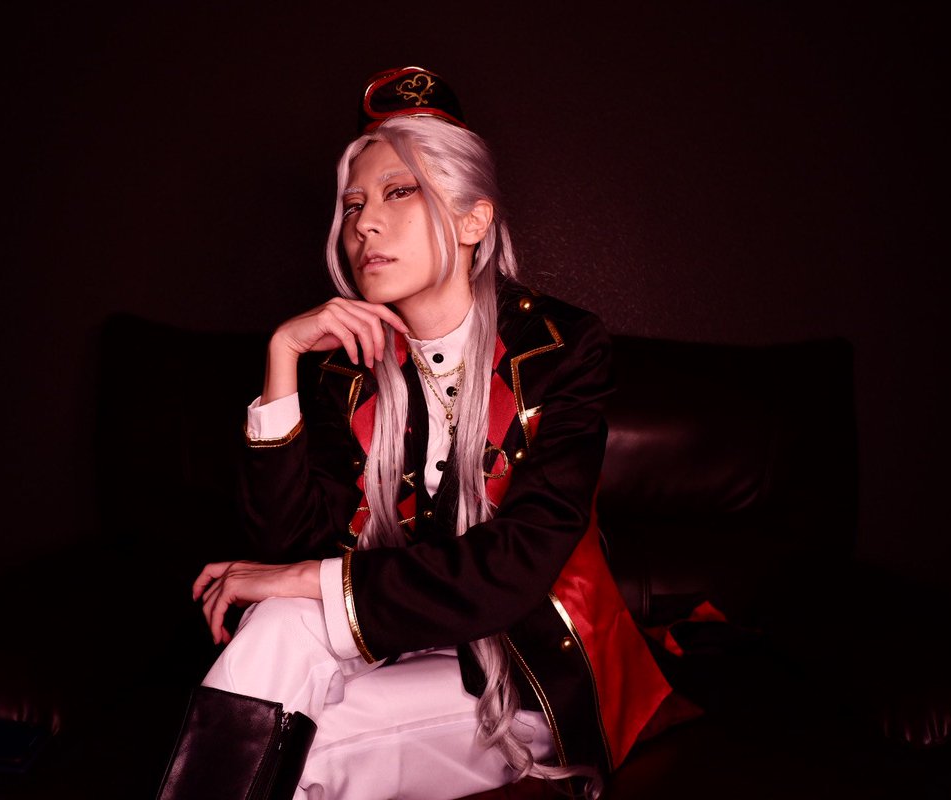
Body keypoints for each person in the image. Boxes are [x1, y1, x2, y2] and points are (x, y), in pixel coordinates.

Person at [156, 66, 672, 800]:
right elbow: (288, 541)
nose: (364, 223)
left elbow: (514, 568)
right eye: (354, 203)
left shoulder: (564, 349)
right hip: (395, 642)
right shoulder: (348, 368)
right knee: (275, 631)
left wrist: (299, 581)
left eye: (400, 192)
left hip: (521, 672)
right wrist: (282, 357)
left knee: (286, 751)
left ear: (473, 221)